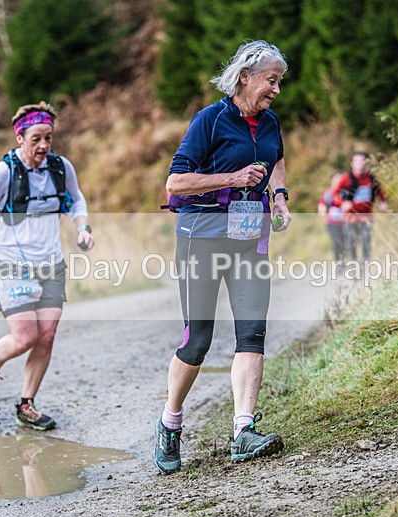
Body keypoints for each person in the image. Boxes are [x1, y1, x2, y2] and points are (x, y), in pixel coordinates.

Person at [154, 40, 292, 475]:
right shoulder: (209, 121)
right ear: (245, 77)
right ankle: (170, 422)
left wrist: (281, 195)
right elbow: (175, 183)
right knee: (199, 339)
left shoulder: (269, 122)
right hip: (203, 235)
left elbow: (278, 159)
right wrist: (232, 177)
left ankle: (243, 431)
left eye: (279, 82)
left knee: (252, 332)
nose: (275, 89)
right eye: (271, 80)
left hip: (249, 238)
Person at [0, 101, 93, 431]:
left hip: (51, 263)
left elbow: (76, 198)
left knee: (46, 337)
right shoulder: (4, 172)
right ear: (20, 137)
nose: (43, 146)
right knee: (25, 337)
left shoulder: (60, 167)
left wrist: (82, 226)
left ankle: (27, 405)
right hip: (10, 262)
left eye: (48, 138)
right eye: (36, 138)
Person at [332, 151, 387, 263]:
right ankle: (354, 268)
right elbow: (334, 194)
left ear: (366, 163)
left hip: (366, 217)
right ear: (352, 163)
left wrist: (383, 202)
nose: (360, 164)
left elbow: (380, 192)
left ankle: (365, 267)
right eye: (357, 161)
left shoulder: (371, 179)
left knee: (366, 243)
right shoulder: (345, 178)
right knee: (351, 244)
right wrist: (342, 203)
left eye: (362, 161)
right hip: (350, 218)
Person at [318, 171, 347, 266]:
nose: (338, 182)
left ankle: (345, 261)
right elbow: (322, 203)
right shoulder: (328, 193)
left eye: (340, 180)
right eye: (336, 180)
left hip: (344, 222)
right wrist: (321, 210)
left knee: (345, 242)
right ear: (332, 181)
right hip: (332, 223)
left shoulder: (345, 193)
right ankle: (339, 264)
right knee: (336, 241)